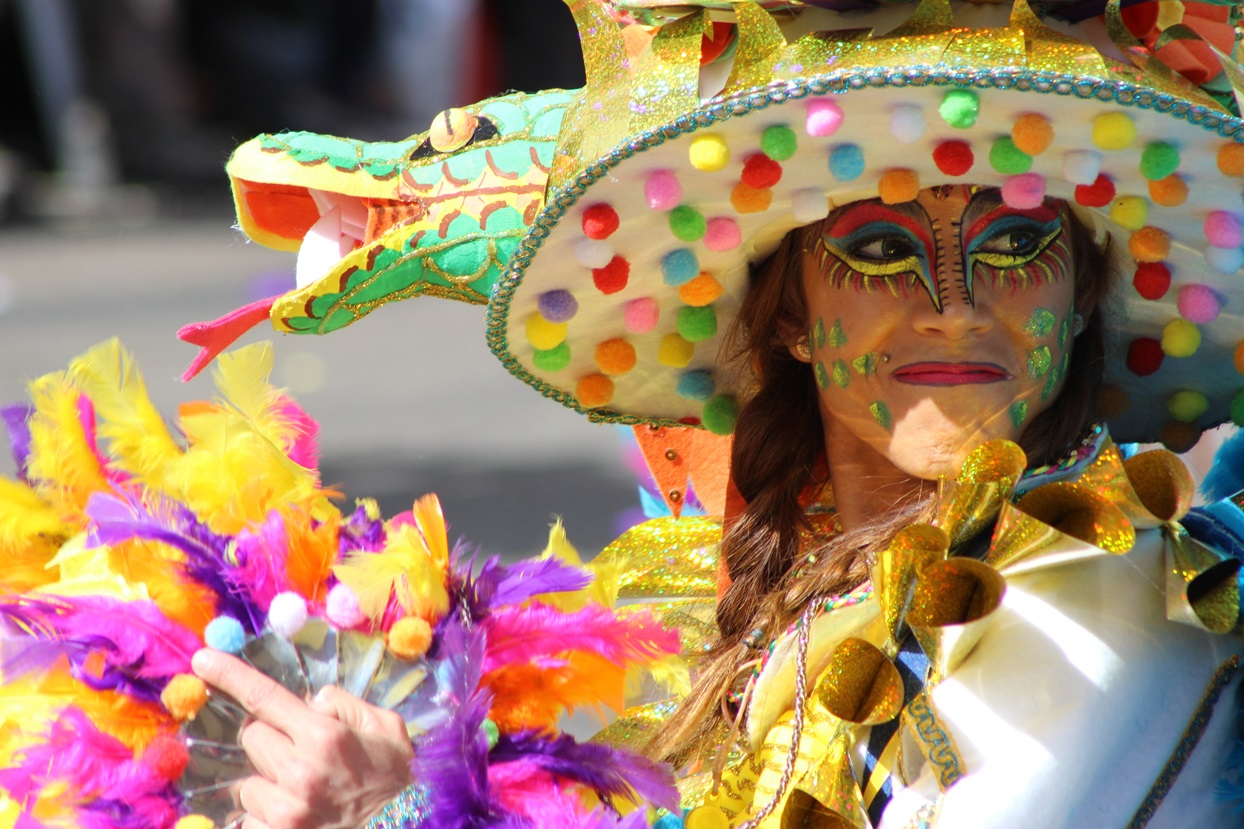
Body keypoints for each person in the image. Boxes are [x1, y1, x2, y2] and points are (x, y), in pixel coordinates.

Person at [15, 0, 1244, 827]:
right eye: (876, 249)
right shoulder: (745, 581)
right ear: (789, 314)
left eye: (1017, 243)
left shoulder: (1083, 598)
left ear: (1082, 297)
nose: (949, 307)